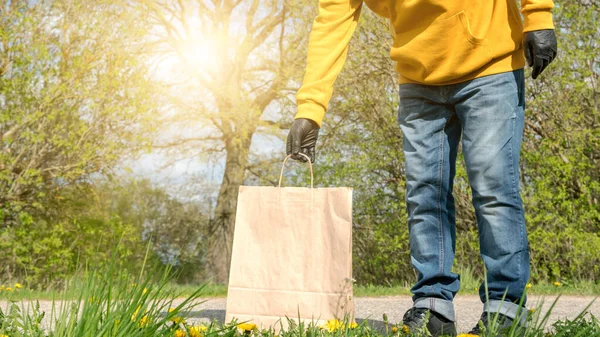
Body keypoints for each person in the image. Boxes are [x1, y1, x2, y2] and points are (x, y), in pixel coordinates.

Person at [285, 0, 557, 336]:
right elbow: (333, 19)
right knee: (424, 192)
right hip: (418, 77)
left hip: (491, 63)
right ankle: (433, 304)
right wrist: (310, 108)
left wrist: (538, 15)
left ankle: (506, 307)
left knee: (493, 188)